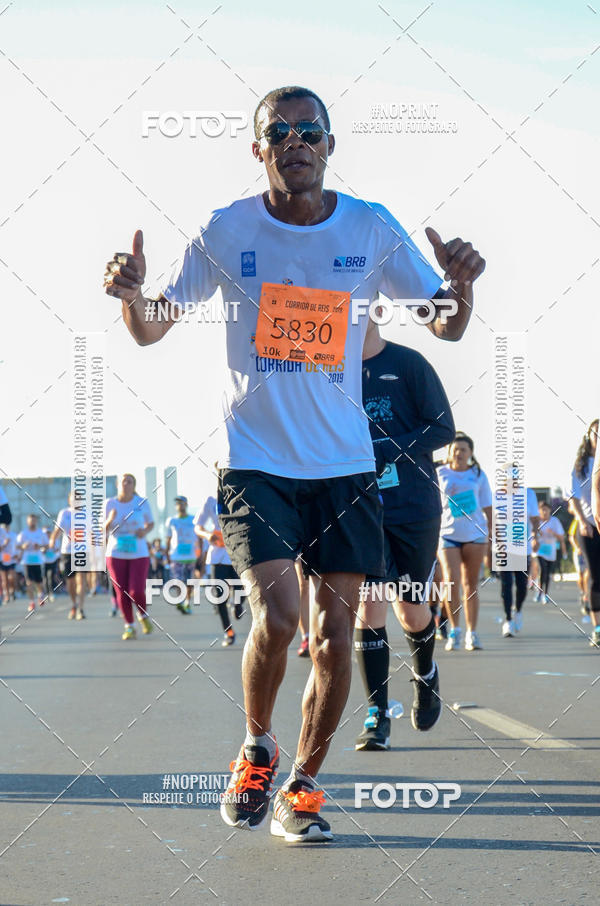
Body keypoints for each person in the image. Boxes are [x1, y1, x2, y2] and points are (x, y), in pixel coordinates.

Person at [103, 84, 485, 842]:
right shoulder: (227, 229)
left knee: (337, 637)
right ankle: (256, 747)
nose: (296, 140)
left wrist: (463, 289)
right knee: (278, 620)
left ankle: (303, 785)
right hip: (256, 463)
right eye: (279, 131)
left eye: (310, 129)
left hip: (345, 467)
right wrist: (131, 295)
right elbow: (151, 330)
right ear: (259, 150)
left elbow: (444, 325)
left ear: (330, 146)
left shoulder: (371, 228)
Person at [354, 313, 455, 751]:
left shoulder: (410, 364)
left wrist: (388, 448)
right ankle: (377, 713)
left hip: (414, 506)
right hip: (360, 507)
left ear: (375, 311)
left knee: (410, 610)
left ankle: (426, 674)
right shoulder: (327, 372)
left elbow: (443, 429)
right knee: (370, 601)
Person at [437, 433, 492, 651]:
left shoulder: (478, 474)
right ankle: (454, 631)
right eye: (455, 449)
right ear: (449, 452)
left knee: (470, 585)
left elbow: (488, 508)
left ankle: (472, 632)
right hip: (447, 533)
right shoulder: (439, 472)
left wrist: (494, 537)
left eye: (464, 450)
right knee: (451, 583)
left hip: (475, 535)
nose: (459, 453)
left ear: (471, 454)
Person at [105, 473, 154, 640]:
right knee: (122, 591)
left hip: (138, 552)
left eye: (130, 481)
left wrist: (145, 531)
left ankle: (143, 615)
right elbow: (101, 529)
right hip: (116, 553)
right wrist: (109, 520)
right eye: (123, 481)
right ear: (118, 485)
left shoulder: (141, 502)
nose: (126, 484)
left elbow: (151, 523)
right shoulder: (109, 503)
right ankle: (130, 626)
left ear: (134, 485)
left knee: (136, 590)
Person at [493, 469, 540, 638]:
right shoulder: (496, 496)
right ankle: (507, 620)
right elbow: (493, 522)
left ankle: (518, 610)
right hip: (503, 548)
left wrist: (535, 536)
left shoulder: (529, 494)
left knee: (521, 585)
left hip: (522, 547)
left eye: (514, 479)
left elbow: (535, 519)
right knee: (506, 584)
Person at [194, 496, 244, 645]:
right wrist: (207, 535)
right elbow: (198, 526)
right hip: (217, 556)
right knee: (219, 597)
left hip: (239, 554)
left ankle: (238, 604)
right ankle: (229, 632)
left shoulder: (241, 494)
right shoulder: (210, 501)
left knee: (240, 590)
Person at [570, 419, 600, 646]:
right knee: (595, 576)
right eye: (596, 433)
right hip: (589, 526)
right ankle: (597, 627)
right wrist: (582, 521)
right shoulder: (581, 465)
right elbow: (575, 498)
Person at [50, 494, 88, 620]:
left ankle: (81, 609)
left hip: (82, 551)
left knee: (81, 579)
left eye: (79, 498)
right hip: (67, 551)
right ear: (69, 500)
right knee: (70, 582)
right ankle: (74, 604)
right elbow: (58, 529)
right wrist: (52, 540)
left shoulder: (87, 514)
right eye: (74, 498)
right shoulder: (64, 513)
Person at [166, 496, 197, 614]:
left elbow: (198, 538)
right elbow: (168, 538)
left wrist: (200, 554)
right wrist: (167, 554)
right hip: (176, 556)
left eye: (182, 503)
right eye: (177, 503)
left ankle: (187, 602)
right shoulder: (171, 521)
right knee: (178, 581)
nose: (179, 505)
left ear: (186, 504)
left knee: (189, 581)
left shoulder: (193, 519)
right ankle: (180, 600)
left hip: (191, 555)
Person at [533, 501, 566, 605]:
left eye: (546, 509)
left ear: (549, 510)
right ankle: (539, 592)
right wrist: (535, 535)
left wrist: (553, 533)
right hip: (539, 550)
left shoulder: (555, 521)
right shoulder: (536, 521)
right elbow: (529, 534)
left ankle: (545, 594)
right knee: (542, 569)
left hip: (550, 551)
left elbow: (561, 538)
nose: (544, 511)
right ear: (538, 511)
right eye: (542, 509)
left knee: (547, 573)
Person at [17, 514, 47, 612]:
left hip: (38, 561)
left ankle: (40, 596)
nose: (32, 523)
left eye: (34, 521)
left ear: (36, 522)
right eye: (30, 521)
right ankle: (31, 602)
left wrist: (40, 547)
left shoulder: (41, 533)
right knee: (29, 583)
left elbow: (46, 546)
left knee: (39, 583)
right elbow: (17, 546)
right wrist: (23, 547)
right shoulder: (23, 533)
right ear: (27, 522)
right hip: (27, 562)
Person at [569, 518, 590, 622]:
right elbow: (571, 537)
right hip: (579, 552)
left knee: (588, 573)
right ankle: (583, 592)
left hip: (590, 551)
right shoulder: (577, 520)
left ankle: (587, 594)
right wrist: (577, 548)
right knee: (581, 575)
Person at [0, 525, 17, 604]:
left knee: (12, 577)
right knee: (4, 579)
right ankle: (7, 595)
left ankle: (12, 591)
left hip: (12, 558)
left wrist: (17, 554)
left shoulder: (13, 535)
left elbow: (16, 545)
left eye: (6, 527)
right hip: (3, 559)